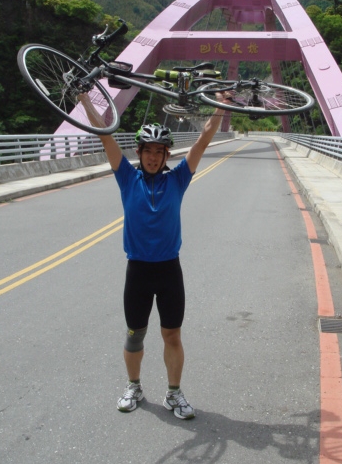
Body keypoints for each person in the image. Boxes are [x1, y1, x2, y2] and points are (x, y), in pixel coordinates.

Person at [78, 93, 229, 419]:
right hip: (138, 271)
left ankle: (174, 393)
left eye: (159, 152)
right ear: (139, 153)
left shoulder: (178, 179)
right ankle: (133, 386)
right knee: (135, 335)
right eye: (148, 151)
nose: (153, 157)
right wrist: (83, 98)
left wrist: (220, 107)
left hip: (169, 270)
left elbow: (203, 139)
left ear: (166, 155)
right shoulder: (127, 178)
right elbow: (104, 134)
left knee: (172, 335)